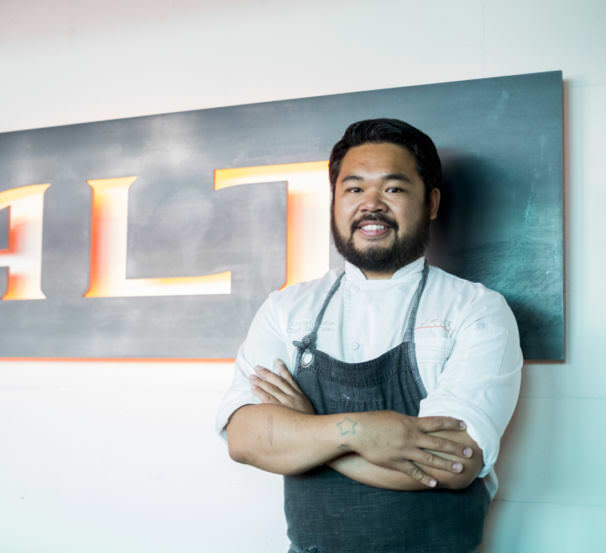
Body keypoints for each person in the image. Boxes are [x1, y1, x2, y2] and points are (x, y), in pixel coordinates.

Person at [216, 119, 522, 553]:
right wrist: (359, 432)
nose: (371, 205)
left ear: (431, 202)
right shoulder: (287, 309)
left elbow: (454, 462)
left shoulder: (475, 309)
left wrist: (308, 429)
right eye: (354, 188)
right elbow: (245, 439)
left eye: (393, 188)